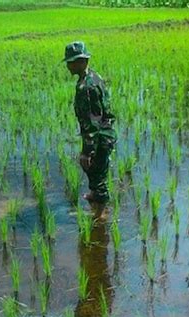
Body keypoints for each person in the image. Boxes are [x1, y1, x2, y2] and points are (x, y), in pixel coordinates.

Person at [63, 41, 116, 216]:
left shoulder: (86, 87)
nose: (68, 66)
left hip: (100, 136)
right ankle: (95, 195)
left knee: (94, 169)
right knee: (96, 170)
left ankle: (100, 214)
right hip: (105, 132)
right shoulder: (94, 77)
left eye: (71, 62)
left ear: (81, 62)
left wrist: (87, 151)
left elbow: (92, 122)